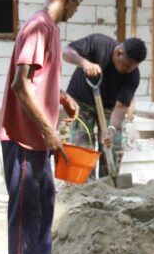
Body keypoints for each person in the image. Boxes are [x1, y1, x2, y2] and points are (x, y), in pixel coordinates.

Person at [0, 0, 86, 254]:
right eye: (79, 1)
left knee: (45, 199)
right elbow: (20, 85)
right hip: (24, 136)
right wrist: (50, 132)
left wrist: (61, 96)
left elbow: (38, 78)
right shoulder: (38, 27)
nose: (77, 8)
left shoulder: (50, 29)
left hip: (38, 138)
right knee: (24, 210)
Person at [63, 34, 147, 176]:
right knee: (82, 143)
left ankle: (107, 182)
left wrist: (112, 129)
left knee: (112, 143)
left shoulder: (133, 75)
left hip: (110, 107)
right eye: (126, 66)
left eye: (132, 68)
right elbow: (66, 52)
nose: (128, 70)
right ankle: (85, 183)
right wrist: (84, 63)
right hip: (81, 101)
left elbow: (121, 106)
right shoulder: (99, 43)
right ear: (119, 52)